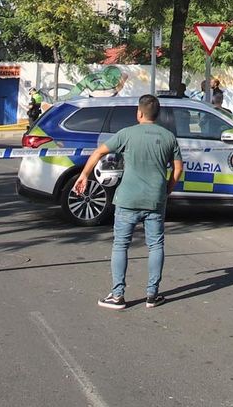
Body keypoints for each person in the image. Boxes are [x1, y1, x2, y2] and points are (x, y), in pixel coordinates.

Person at [75, 94, 183, 309]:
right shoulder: (169, 137)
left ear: (139, 113)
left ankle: (117, 296)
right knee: (156, 245)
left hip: (127, 199)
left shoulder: (126, 134)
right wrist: (166, 190)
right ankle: (152, 295)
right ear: (158, 114)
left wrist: (84, 175)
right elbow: (178, 169)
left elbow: (99, 152)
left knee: (120, 245)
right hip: (155, 200)